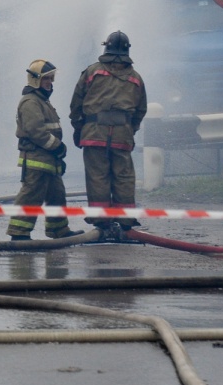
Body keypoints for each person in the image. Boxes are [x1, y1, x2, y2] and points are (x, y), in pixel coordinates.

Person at [70, 31, 148, 231]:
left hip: (94, 133)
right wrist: (131, 128)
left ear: (106, 47)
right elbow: (141, 109)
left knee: (98, 176)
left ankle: (101, 220)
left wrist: (79, 128)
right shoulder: (136, 78)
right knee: (123, 176)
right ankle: (125, 220)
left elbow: (76, 104)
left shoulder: (92, 72)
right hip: (123, 135)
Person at [8, 59, 80, 241]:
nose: (50, 83)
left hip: (49, 160)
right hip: (36, 159)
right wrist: (57, 147)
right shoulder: (30, 102)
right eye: (46, 79)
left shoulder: (42, 101)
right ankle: (19, 233)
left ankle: (59, 230)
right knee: (31, 196)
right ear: (35, 80)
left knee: (57, 195)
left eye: (51, 78)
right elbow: (36, 131)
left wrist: (57, 153)